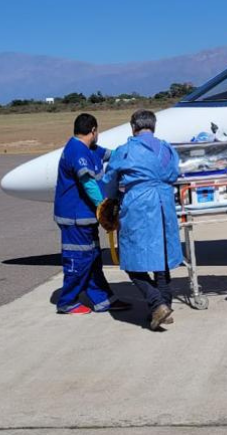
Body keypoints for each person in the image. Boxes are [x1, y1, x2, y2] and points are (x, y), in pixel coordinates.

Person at [102, 109, 184, 331]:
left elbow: (109, 181)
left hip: (139, 204)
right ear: (154, 127)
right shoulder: (167, 149)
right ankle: (163, 306)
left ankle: (157, 303)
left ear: (133, 127)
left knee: (130, 259)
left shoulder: (125, 150)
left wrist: (111, 200)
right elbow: (174, 174)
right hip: (164, 203)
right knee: (163, 259)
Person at [53, 113, 131, 315]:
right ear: (94, 130)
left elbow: (111, 155)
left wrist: (133, 149)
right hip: (75, 219)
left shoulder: (90, 149)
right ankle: (67, 302)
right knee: (78, 259)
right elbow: (88, 183)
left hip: (86, 217)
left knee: (93, 257)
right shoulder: (77, 152)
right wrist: (104, 206)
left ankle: (102, 299)